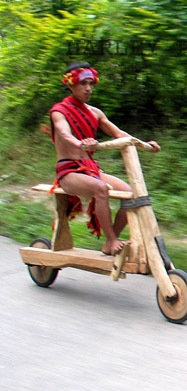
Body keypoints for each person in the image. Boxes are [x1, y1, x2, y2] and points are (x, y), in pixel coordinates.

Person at [49, 61, 161, 255]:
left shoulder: (95, 112)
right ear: (70, 85)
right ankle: (111, 239)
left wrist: (146, 145)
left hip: (91, 169)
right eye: (83, 84)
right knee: (101, 188)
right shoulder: (59, 111)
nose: (88, 88)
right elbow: (64, 134)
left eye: (91, 84)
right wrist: (80, 143)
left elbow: (119, 134)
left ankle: (110, 242)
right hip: (69, 171)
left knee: (131, 194)